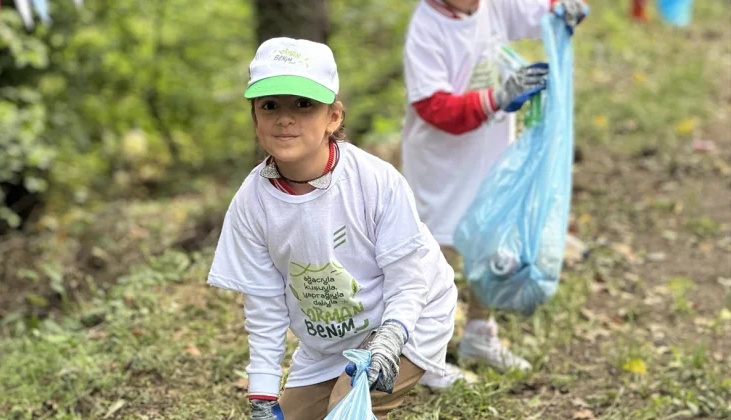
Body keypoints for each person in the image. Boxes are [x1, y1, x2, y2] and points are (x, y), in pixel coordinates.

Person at [207, 37, 458, 420]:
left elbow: (409, 282)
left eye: (304, 104)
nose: (285, 118)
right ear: (255, 118)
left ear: (334, 117)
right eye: (269, 105)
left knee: (346, 411)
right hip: (329, 344)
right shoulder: (252, 202)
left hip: (407, 318)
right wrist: (262, 395)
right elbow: (265, 306)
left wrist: (390, 339)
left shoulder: (374, 181)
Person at [400, 0, 587, 389]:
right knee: (439, 252)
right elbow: (433, 105)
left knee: (488, 240)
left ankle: (480, 333)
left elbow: (537, 13)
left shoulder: (491, 6)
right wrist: (497, 98)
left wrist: (562, 9)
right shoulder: (427, 28)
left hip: (489, 154)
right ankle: (424, 353)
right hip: (443, 162)